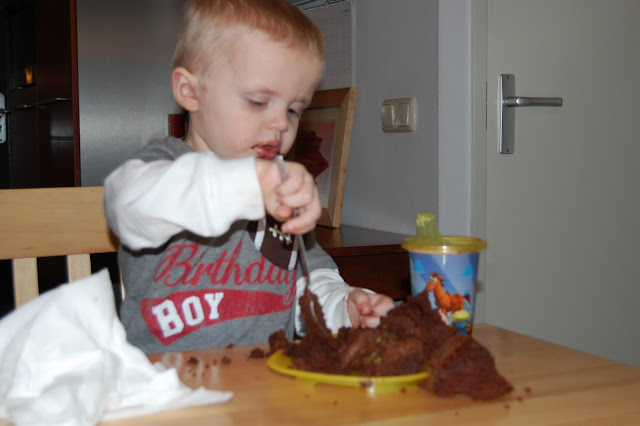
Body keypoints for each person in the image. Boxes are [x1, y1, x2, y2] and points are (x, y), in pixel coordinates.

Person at [104, 0, 394, 354]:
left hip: (265, 380)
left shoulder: (278, 188)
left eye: (293, 109)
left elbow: (309, 279)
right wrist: (248, 186)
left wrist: (344, 308)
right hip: (163, 381)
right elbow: (129, 207)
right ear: (190, 91)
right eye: (258, 101)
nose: (281, 123)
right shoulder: (161, 172)